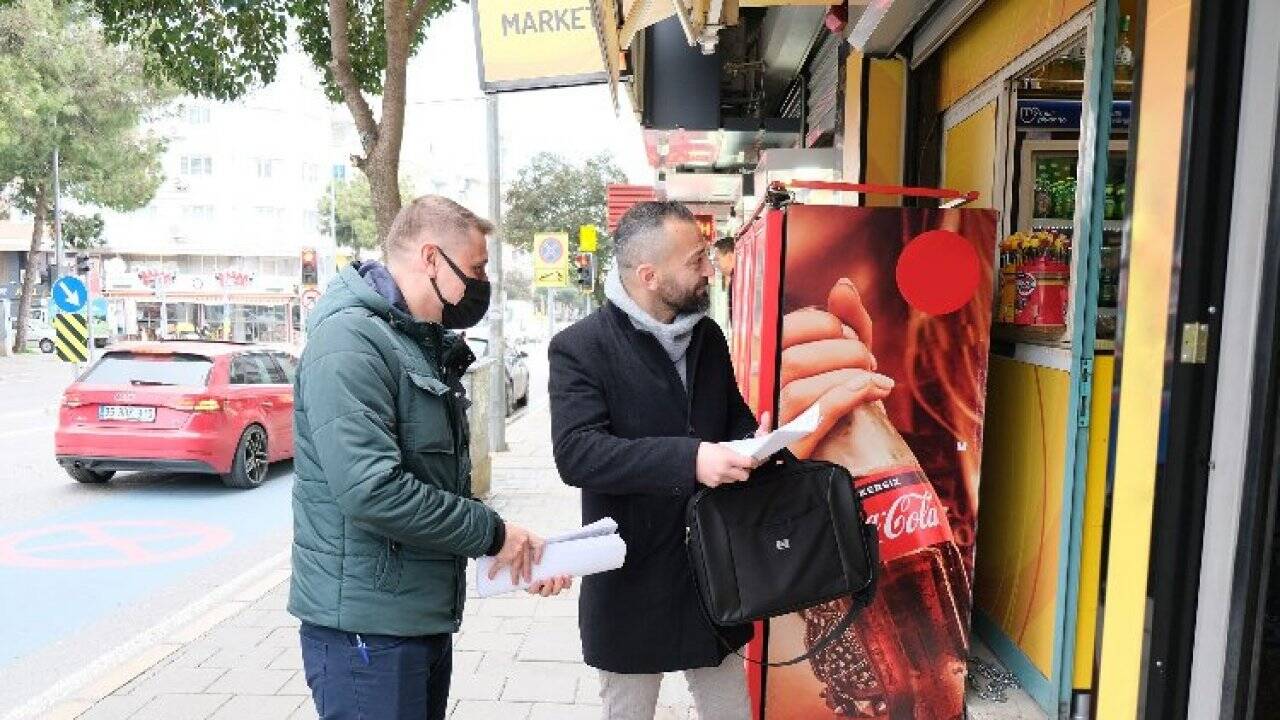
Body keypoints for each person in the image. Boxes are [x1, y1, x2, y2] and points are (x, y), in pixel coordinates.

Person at [289, 195, 570, 720]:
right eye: (477, 267)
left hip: (412, 620)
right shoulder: (350, 342)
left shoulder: (414, 343)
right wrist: (494, 534)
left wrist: (509, 555)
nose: (482, 283)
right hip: (368, 634)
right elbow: (373, 490)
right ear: (431, 258)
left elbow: (435, 485)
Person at [549, 201, 769, 720]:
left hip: (713, 570)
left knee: (732, 711)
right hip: (630, 574)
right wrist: (691, 460)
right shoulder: (580, 348)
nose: (709, 270)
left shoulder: (707, 337)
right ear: (649, 276)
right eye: (696, 261)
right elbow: (578, 453)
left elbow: (731, 416)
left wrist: (754, 441)